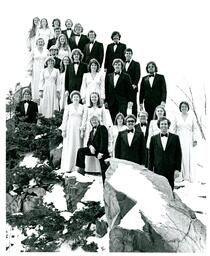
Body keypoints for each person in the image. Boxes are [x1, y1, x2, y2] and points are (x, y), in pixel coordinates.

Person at [148, 117, 182, 190]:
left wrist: (177, 169)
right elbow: (151, 156)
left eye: (165, 124)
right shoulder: (153, 138)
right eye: (162, 124)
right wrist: (150, 170)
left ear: (168, 125)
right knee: (159, 189)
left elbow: (178, 154)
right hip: (158, 168)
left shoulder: (175, 138)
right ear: (159, 125)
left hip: (171, 168)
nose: (164, 126)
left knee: (170, 188)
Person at [75, 115, 109, 184]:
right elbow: (88, 142)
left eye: (95, 120)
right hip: (94, 151)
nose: (94, 121)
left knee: (104, 169)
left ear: (98, 121)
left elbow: (104, 141)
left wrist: (101, 152)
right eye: (92, 121)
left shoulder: (102, 128)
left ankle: (105, 183)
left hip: (102, 152)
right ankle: (81, 170)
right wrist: (90, 146)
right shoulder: (91, 132)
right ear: (91, 122)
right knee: (80, 151)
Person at [81, 92, 109, 173]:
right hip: (89, 129)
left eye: (95, 97)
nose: (94, 99)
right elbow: (84, 119)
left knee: (99, 147)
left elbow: (105, 120)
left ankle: (98, 169)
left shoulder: (101, 108)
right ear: (90, 99)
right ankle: (88, 169)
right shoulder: (87, 108)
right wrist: (82, 129)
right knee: (90, 147)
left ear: (98, 98)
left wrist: (105, 130)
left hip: (99, 130)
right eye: (92, 97)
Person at [172, 101, 198, 182]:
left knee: (188, 156)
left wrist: (195, 139)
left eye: (185, 106)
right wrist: (172, 140)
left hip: (189, 139)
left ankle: (187, 176)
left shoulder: (192, 117)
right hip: (179, 138)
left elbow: (195, 129)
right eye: (182, 106)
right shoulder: (176, 117)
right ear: (180, 108)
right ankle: (180, 176)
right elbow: (173, 128)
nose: (184, 108)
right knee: (180, 155)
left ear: (188, 108)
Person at [60, 90, 84, 173]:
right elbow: (65, 119)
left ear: (80, 98)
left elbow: (84, 118)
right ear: (71, 98)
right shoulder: (68, 107)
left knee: (78, 145)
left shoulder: (82, 107)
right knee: (70, 145)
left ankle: (77, 167)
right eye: (74, 97)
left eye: (77, 97)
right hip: (70, 129)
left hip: (78, 129)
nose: (76, 98)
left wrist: (82, 129)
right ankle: (69, 166)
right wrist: (64, 130)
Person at [28, 37, 50, 101]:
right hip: (36, 69)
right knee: (36, 83)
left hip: (44, 68)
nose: (40, 43)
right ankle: (36, 99)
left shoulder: (46, 51)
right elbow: (30, 61)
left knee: (44, 82)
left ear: (43, 43)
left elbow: (49, 60)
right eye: (39, 42)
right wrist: (30, 69)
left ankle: (44, 99)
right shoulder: (34, 51)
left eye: (41, 42)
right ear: (36, 43)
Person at [123, 48, 141, 117]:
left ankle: (134, 119)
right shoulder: (122, 64)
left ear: (132, 55)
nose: (128, 55)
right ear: (124, 55)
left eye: (129, 53)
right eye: (127, 53)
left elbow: (138, 75)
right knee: (124, 104)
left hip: (133, 87)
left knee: (133, 105)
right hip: (124, 89)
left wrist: (135, 84)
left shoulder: (136, 64)